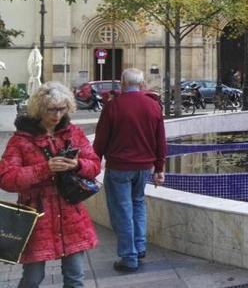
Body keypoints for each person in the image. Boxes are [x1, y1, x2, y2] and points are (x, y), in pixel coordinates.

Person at [0, 82, 100, 288]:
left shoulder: (73, 133)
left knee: (75, 278)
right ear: (39, 108)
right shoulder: (20, 140)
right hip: (37, 217)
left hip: (71, 213)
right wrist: (44, 169)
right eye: (51, 109)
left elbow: (95, 165)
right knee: (32, 279)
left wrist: (77, 164)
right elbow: (7, 178)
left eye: (62, 109)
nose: (57, 115)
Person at [93, 68, 165, 273]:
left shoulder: (113, 106)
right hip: (143, 168)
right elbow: (160, 141)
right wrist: (159, 168)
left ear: (122, 84)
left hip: (119, 167)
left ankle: (129, 256)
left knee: (122, 210)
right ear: (142, 85)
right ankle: (140, 247)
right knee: (138, 204)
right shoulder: (153, 106)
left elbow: (100, 140)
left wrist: (94, 163)